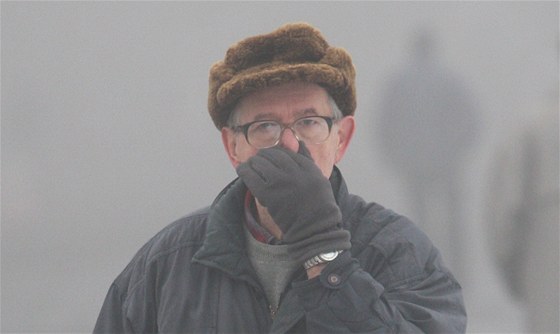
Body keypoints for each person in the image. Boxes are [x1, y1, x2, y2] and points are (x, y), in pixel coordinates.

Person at [94, 22, 466, 333]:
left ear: (342, 138)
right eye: (265, 126)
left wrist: (325, 252)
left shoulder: (399, 253)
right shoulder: (166, 265)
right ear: (232, 147)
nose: (289, 144)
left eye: (309, 122)